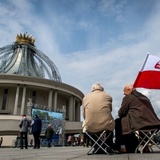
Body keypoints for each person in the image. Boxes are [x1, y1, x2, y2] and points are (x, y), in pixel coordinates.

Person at [115, 84, 160, 153]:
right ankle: (145, 146)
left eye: (124, 91)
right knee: (143, 122)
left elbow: (121, 113)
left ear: (129, 90)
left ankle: (122, 146)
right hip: (153, 123)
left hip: (139, 124)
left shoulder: (128, 98)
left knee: (118, 122)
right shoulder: (145, 97)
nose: (123, 93)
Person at [82, 82, 115, 153]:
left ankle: (96, 146)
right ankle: (108, 145)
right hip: (106, 125)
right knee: (111, 125)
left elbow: (84, 114)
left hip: (90, 125)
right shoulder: (108, 96)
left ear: (93, 88)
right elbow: (110, 110)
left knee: (91, 129)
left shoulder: (85, 98)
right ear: (102, 88)